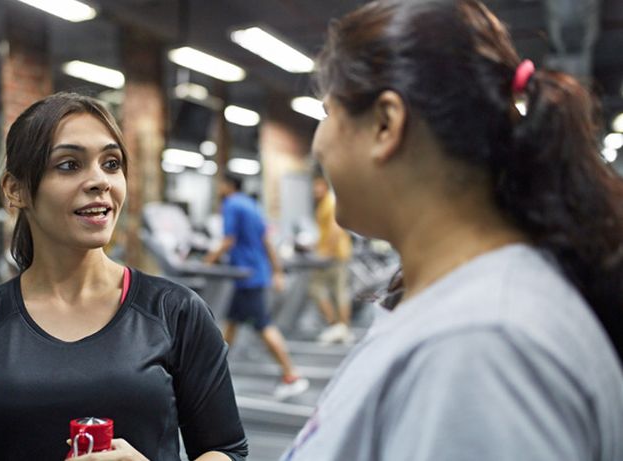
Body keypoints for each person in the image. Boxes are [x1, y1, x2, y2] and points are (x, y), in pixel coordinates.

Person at [283, 1, 623, 460]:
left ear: (386, 123)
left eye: (327, 112)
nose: (318, 142)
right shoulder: (462, 312)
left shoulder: (481, 350)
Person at [0, 93, 248, 461]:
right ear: (16, 189)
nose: (99, 181)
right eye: (69, 165)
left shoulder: (177, 311)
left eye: (111, 163)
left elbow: (226, 450)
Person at [204, 174, 309, 400]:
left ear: (227, 185)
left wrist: (207, 260)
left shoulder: (231, 204)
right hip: (255, 273)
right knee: (231, 324)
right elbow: (267, 240)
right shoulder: (251, 204)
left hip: (246, 276)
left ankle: (291, 375)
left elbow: (228, 240)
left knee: (263, 325)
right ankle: (210, 373)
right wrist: (276, 270)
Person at [308, 173, 354, 344]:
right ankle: (341, 328)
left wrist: (326, 251)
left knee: (322, 290)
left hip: (335, 256)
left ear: (325, 186)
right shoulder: (323, 204)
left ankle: (339, 326)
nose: (315, 190)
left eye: (318, 186)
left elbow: (336, 229)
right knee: (337, 292)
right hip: (334, 254)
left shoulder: (330, 202)